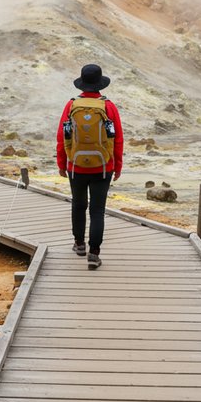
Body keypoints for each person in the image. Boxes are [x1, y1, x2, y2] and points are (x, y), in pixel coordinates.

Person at [57, 63, 123, 270]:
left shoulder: (71, 105)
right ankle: (94, 253)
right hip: (103, 166)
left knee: (78, 205)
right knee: (97, 210)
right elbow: (118, 139)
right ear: (100, 83)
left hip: (75, 166)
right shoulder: (109, 107)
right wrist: (117, 166)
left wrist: (62, 163)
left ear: (82, 83)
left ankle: (79, 244)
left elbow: (62, 136)